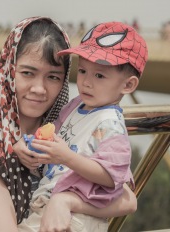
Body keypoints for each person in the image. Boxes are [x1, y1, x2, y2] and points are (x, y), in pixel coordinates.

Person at [0, 17, 137, 232]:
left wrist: (64, 202)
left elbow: (128, 199)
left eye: (53, 77)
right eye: (27, 73)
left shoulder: (68, 125)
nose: (39, 88)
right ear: (9, 71)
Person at [16, 21, 148, 231]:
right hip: (49, 205)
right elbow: (53, 143)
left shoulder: (110, 123)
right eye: (83, 71)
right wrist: (28, 146)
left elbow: (111, 176)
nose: (86, 82)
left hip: (79, 216)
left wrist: (66, 156)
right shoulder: (75, 106)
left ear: (128, 85)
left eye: (99, 75)